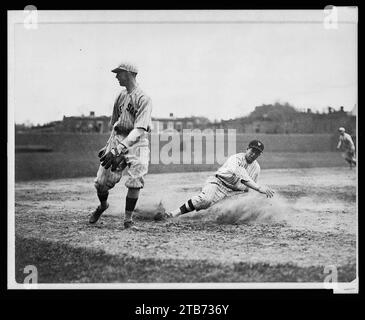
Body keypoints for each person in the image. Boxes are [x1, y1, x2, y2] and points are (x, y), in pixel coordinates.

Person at [89, 62, 152, 229]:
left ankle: (128, 220)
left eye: (119, 73)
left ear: (129, 74)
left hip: (138, 142)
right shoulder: (120, 96)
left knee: (135, 179)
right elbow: (115, 123)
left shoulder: (143, 99)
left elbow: (139, 130)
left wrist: (118, 149)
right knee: (100, 183)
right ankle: (103, 206)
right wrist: (109, 145)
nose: (116, 76)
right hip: (118, 138)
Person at [154, 140, 275, 221]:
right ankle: (171, 214)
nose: (254, 154)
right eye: (252, 150)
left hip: (233, 192)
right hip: (218, 183)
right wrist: (259, 188)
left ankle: (199, 212)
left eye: (257, 152)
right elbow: (243, 178)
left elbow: (249, 189)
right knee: (206, 200)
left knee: (230, 209)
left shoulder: (256, 168)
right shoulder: (236, 159)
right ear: (247, 149)